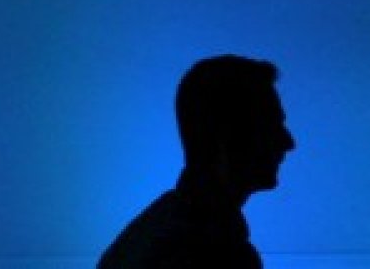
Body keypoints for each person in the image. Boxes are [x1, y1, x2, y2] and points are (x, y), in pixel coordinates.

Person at [98, 55, 297, 269]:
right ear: (228, 138)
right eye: (271, 127)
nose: (288, 142)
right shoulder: (211, 254)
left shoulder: (153, 232)